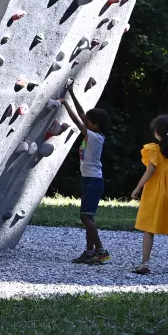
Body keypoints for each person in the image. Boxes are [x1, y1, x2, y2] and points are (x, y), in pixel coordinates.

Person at [58, 84, 111, 264]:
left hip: (93, 181)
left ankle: (101, 251)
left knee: (85, 217)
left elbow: (77, 120)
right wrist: (71, 92)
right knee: (88, 216)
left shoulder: (95, 137)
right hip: (91, 180)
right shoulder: (94, 132)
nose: (86, 122)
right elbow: (82, 115)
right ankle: (89, 252)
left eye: (89, 122)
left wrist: (65, 104)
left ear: (96, 125)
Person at [131, 114, 168, 274]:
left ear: (157, 132)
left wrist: (137, 188)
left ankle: (145, 263)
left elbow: (150, 172)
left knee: (149, 228)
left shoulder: (153, 150)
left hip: (154, 193)